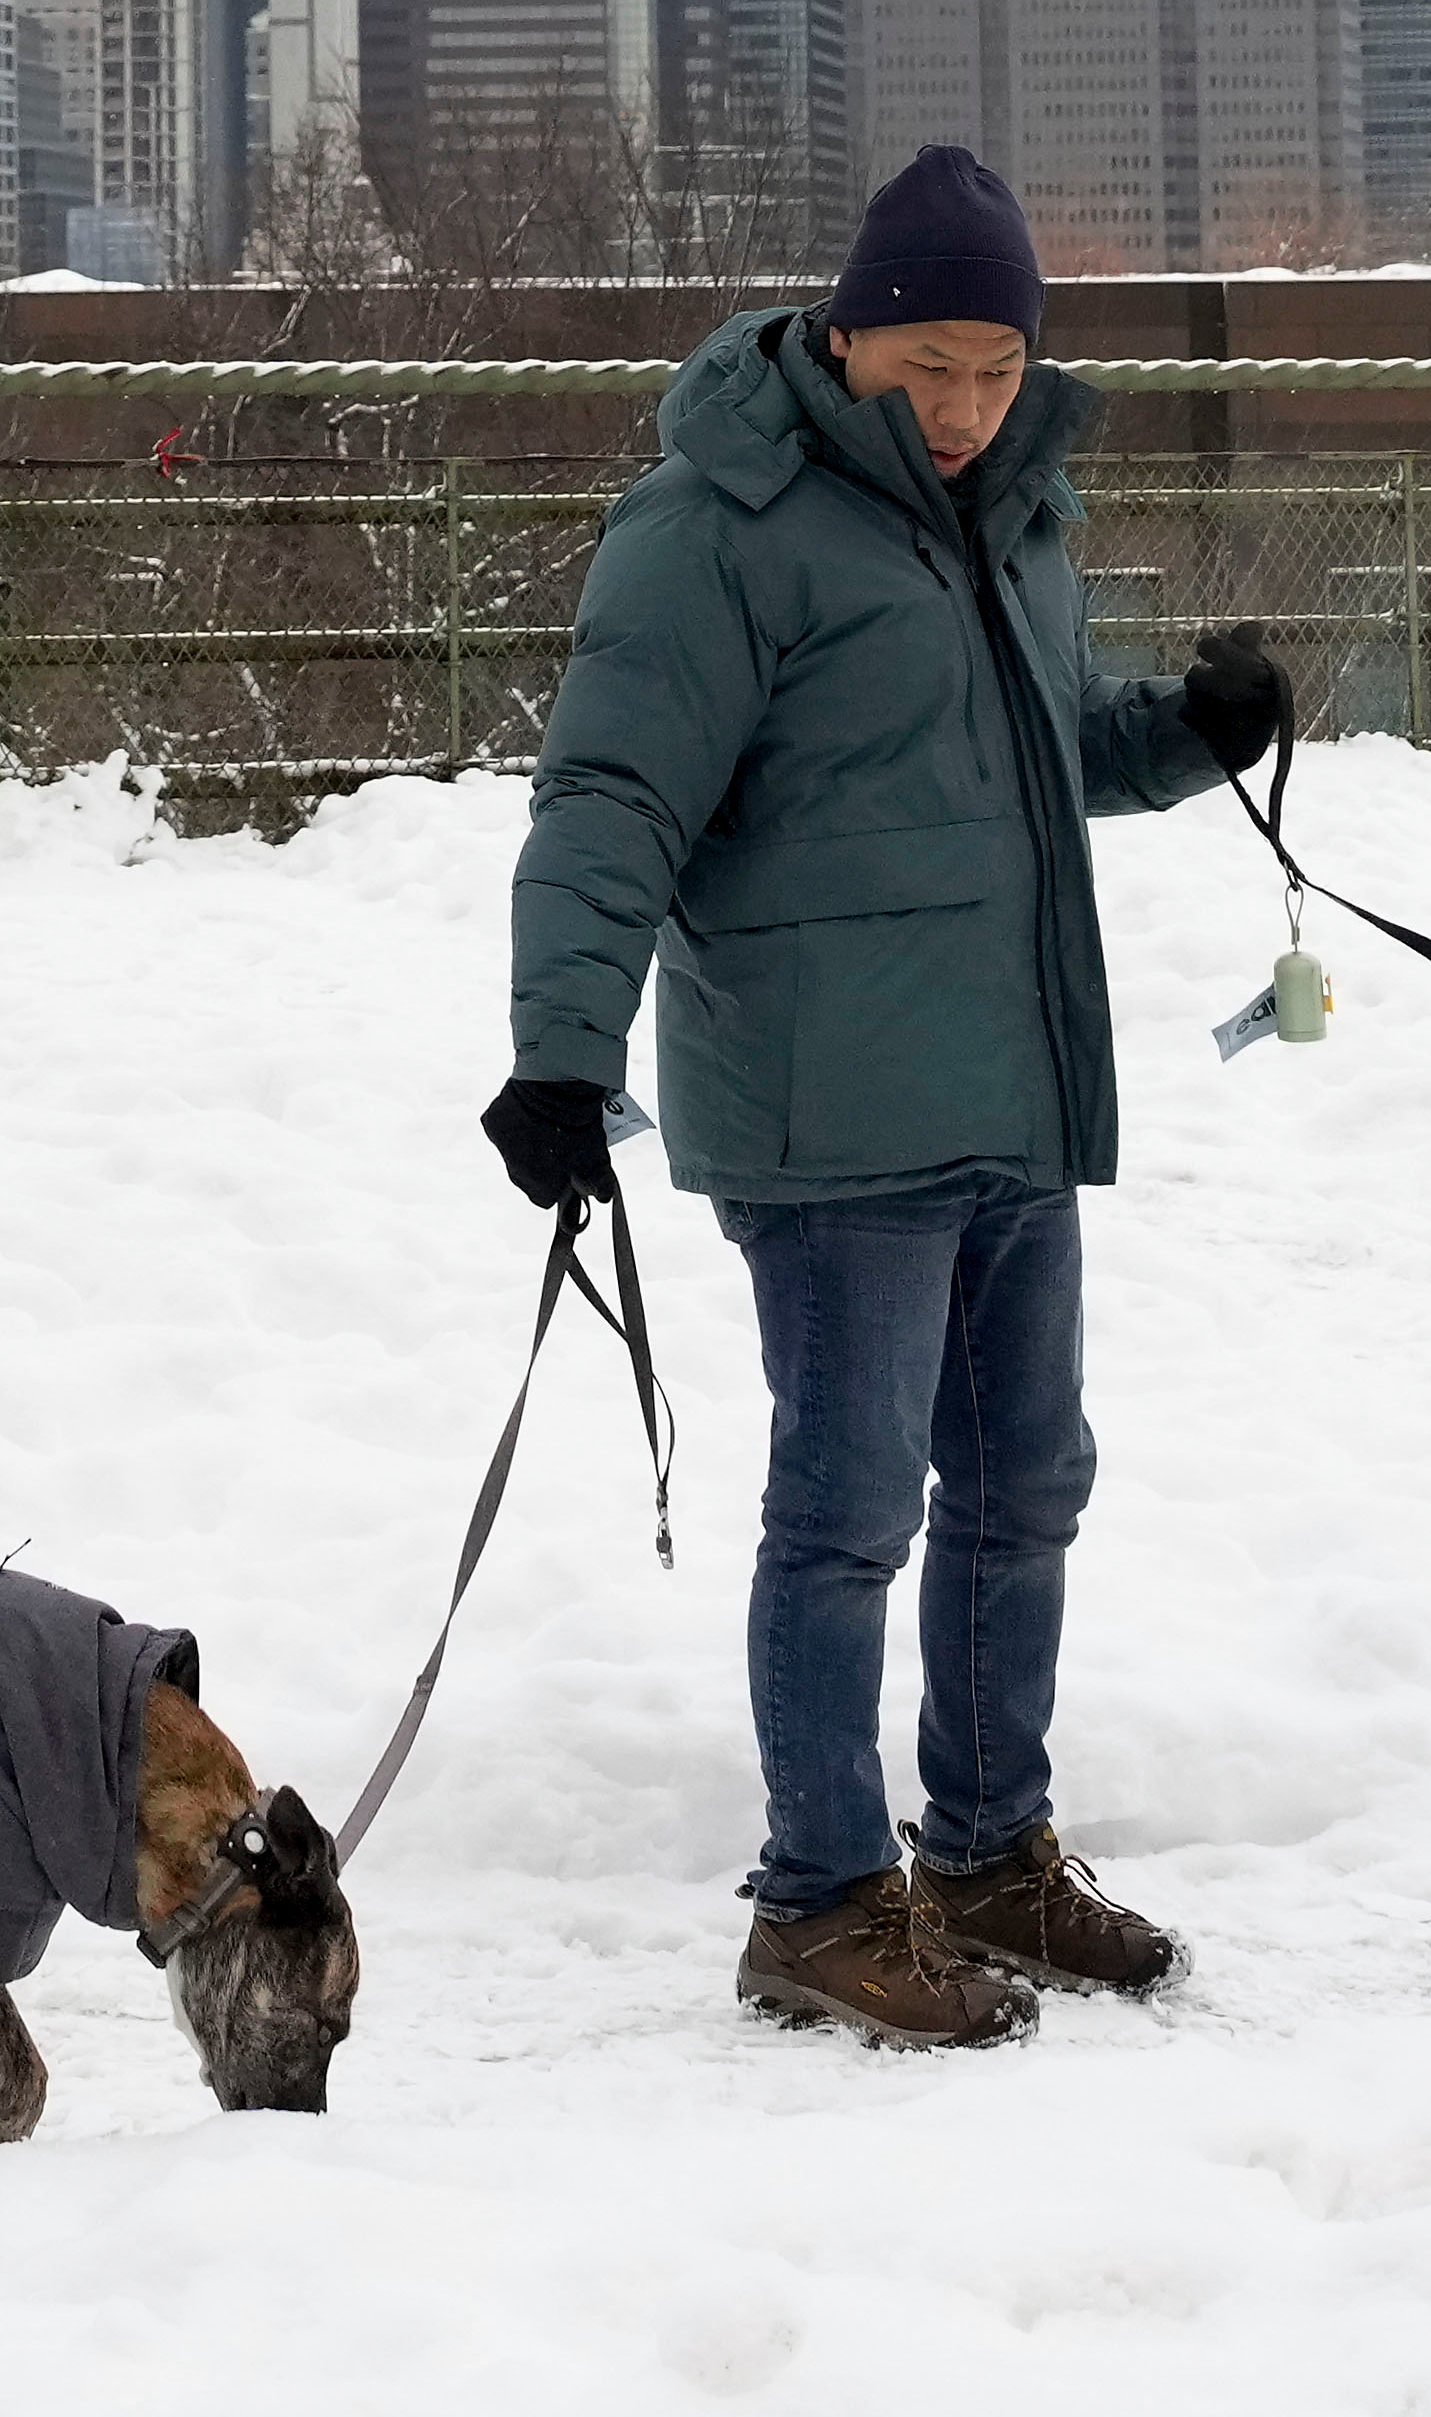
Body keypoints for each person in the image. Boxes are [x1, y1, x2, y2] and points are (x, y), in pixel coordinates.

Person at [482, 143, 1290, 2046]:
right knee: (849, 1510)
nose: (960, 407)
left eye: (994, 371)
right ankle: (821, 1896)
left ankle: (990, 1852)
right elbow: (610, 799)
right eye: (926, 365)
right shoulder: (718, 524)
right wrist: (557, 1049)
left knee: (1026, 1489)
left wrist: (1184, 735)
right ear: (844, 338)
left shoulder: (1013, 513)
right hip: (829, 1103)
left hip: (1008, 1079)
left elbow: (1029, 755)